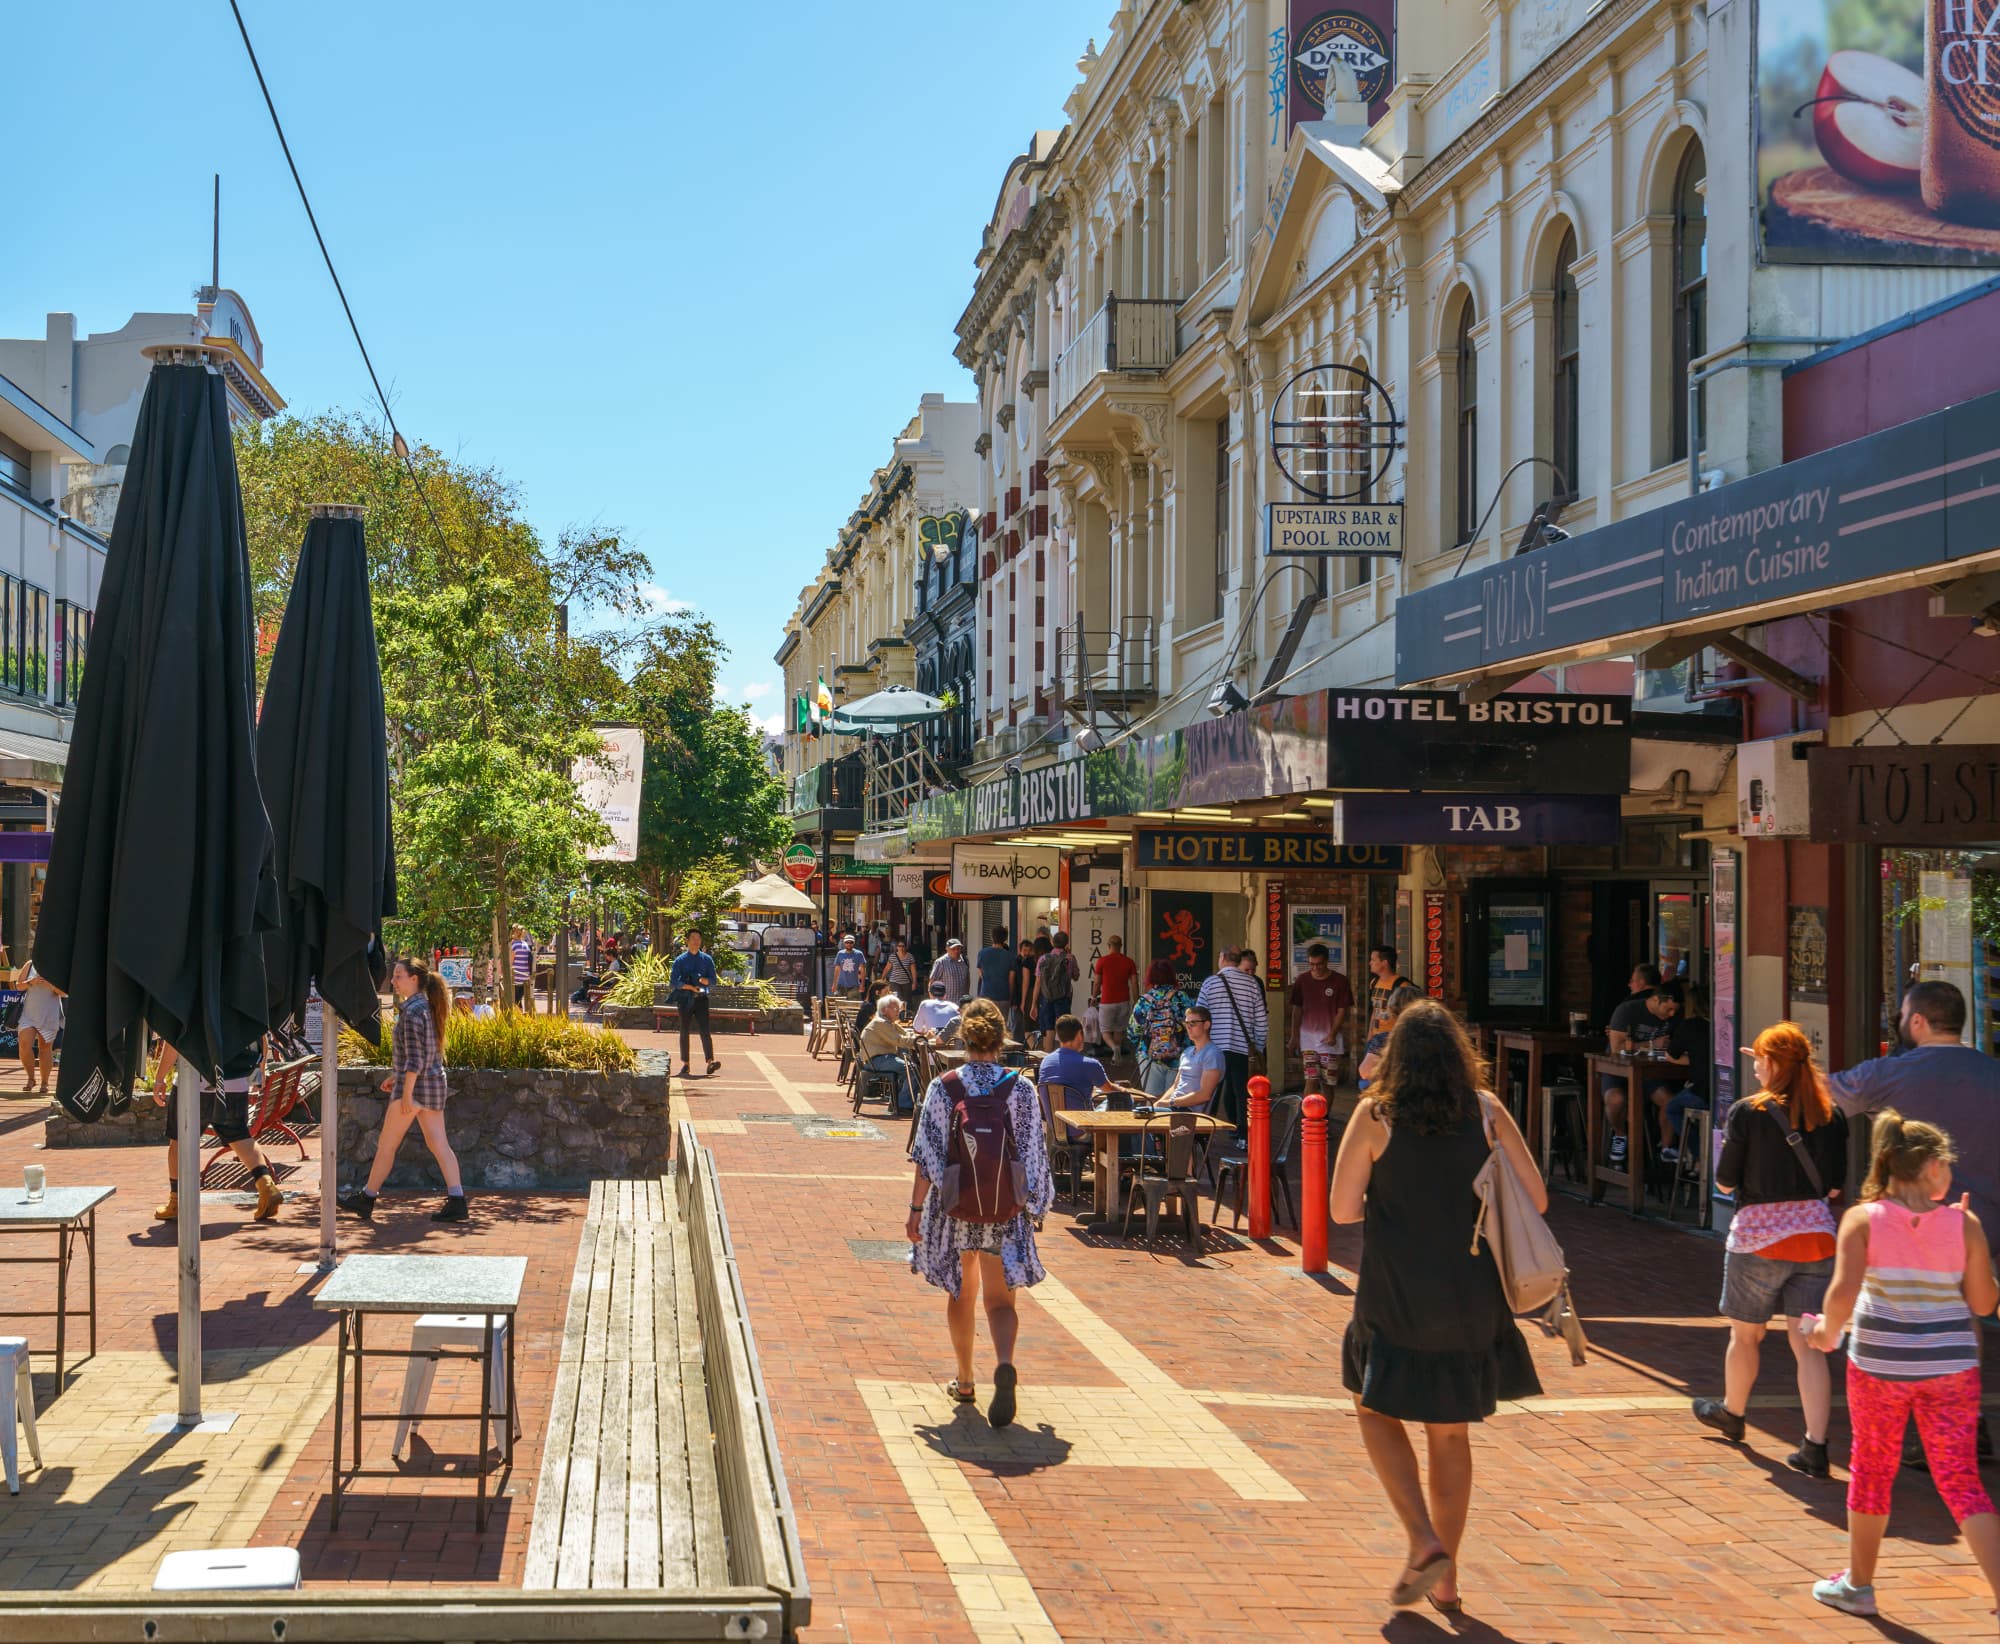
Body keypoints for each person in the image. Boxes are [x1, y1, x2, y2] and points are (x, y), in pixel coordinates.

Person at [1330, 998, 1545, 1614]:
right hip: (1471, 1289)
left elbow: (1342, 1209)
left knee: (1373, 1404)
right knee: (1449, 1433)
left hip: (1395, 1287)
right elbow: (1536, 1198)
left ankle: (1422, 1539)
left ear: (1396, 1056)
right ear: (1458, 1054)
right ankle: (1447, 1578)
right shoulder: (1487, 1111)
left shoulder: (1376, 1115)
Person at [1805, 1110, 2000, 1619]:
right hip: (1952, 1366)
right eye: (1948, 1163)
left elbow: (1842, 1294)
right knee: (1960, 1480)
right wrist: (1967, 1243)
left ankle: (1859, 1587)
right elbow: (1984, 1303)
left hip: (1879, 1365)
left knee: (1871, 1471)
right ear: (1932, 1167)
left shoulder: (1862, 1219)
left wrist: (1824, 1333)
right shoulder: (1964, 1224)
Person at [1693, 1022, 1848, 1477]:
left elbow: (1725, 1181)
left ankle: (1733, 1413)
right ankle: (1815, 1445)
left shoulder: (1747, 1112)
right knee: (1809, 1346)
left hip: (1757, 1241)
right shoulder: (1832, 1115)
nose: (1755, 1068)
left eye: (1760, 1060)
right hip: (1816, 1241)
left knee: (1745, 1335)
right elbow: (1834, 1187)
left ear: (1774, 1063)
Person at [904, 997, 1054, 1428]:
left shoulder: (945, 1087)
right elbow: (1033, 1153)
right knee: (1000, 1301)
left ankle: (966, 1379)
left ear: (964, 1039)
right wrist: (1036, 1204)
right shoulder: (1020, 1089)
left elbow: (927, 1156)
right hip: (1004, 1209)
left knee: (962, 1293)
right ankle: (1004, 1363)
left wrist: (916, 1209)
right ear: (1001, 1039)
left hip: (956, 1209)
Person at [1830, 981, 2000, 1236]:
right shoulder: (1994, 1074)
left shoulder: (1884, 1075)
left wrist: (1782, 1063)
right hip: (1985, 1229)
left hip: (1909, 1231)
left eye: (1904, 1014)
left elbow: (1815, 1095)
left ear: (1917, 1021)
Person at [340, 955, 467, 1223]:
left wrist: (406, 1092)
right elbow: (422, 1054)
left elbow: (415, 1059)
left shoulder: (411, 1011)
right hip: (433, 1083)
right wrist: (396, 1077)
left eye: (398, 976)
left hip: (415, 1088)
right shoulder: (427, 1007)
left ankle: (367, 1198)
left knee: (387, 1145)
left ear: (414, 979)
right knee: (439, 1144)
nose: (393, 981)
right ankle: (457, 1199)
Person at [151, 1036, 284, 1223]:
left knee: (180, 1138)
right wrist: (257, 1077)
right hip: (236, 1080)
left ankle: (176, 1202)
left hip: (194, 1080)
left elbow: (174, 1037)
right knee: (239, 1134)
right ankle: (267, 1186)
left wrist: (159, 1078)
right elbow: (259, 1034)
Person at [1603, 987, 1682, 1167]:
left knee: (1670, 1101)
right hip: (1619, 1069)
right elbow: (1617, 1048)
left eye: (1675, 1010)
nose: (1671, 1014)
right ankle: (1620, 1135)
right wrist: (1652, 1044)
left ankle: (1666, 1149)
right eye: (1668, 1009)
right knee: (1615, 1100)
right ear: (1655, 1000)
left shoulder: (1675, 1017)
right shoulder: (1628, 1010)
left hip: (1649, 1071)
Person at [1197, 947, 1267, 1132]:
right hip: (1241, 1048)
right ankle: (1243, 1134)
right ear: (1238, 961)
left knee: (1210, 1093)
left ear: (1222, 958)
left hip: (1214, 1047)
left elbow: (1198, 1016)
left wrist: (1200, 1045)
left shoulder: (1210, 983)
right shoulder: (1252, 984)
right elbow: (1261, 1021)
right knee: (1242, 1093)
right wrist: (1258, 1047)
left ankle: (1205, 1133)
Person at [1287, 943, 1353, 1092]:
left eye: (1319, 964)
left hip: (1330, 1040)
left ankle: (1325, 1108)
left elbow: (1342, 1011)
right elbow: (1297, 1009)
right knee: (1311, 1079)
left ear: (1327, 961)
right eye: (1312, 964)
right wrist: (1294, 1036)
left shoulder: (1340, 981)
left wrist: (1333, 1033)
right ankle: (1307, 1108)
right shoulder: (1302, 980)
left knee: (1327, 1083)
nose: (1315, 968)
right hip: (1308, 1040)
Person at [1126, 960, 1193, 1097]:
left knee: (1152, 1100)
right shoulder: (1182, 998)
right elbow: (1192, 1025)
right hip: (1178, 1056)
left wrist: (1142, 1046)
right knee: (1173, 1099)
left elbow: (1133, 1031)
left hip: (1150, 1057)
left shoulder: (1144, 1001)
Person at [1361, 948, 1423, 1084]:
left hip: (1392, 1037)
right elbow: (1375, 1010)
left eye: (1373, 960)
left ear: (1384, 962)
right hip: (1376, 1037)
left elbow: (1406, 1013)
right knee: (1369, 1077)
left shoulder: (1401, 985)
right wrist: (1370, 1034)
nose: (1370, 963)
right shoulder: (1374, 982)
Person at [669, 928, 722, 1080]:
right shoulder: (680, 960)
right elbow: (673, 982)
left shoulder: (707, 959)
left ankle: (710, 1061)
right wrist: (688, 987)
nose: (696, 941)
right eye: (693, 938)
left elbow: (713, 980)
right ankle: (686, 1063)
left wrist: (705, 981)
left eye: (698, 938)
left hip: (701, 999)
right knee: (684, 1031)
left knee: (705, 1030)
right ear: (687, 941)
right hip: (685, 999)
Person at [1157, 1004, 1225, 1111]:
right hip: (1174, 1108)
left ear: (1206, 1025)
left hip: (1188, 1113)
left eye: (1193, 1023)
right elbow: (1175, 1087)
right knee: (1138, 1112)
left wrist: (1169, 1102)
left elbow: (1204, 1095)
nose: (1188, 1027)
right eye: (1186, 1023)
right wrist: (1157, 1105)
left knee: (1140, 1115)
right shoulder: (1187, 1052)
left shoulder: (1213, 1054)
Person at [1038, 1013, 1113, 1108]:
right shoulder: (1090, 1065)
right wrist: (1124, 1090)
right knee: (1119, 1100)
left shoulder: (1045, 1062)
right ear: (1079, 1035)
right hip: (1083, 1117)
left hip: (1053, 1117)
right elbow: (1111, 1091)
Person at [859, 993, 918, 1114]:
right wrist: (919, 1040)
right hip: (876, 1060)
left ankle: (896, 1102)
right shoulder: (880, 1023)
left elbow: (905, 1035)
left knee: (908, 1068)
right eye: (895, 1008)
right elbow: (899, 1040)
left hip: (883, 1058)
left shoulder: (889, 1023)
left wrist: (919, 1036)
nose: (898, 1011)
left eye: (899, 1008)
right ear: (885, 1010)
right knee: (911, 1069)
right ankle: (903, 1105)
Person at [14, 961, 62, 1095]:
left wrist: (50, 984)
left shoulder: (58, 965)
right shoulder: (30, 964)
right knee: (24, 1045)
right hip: (28, 1014)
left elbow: (64, 993)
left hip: (49, 1014)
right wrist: (31, 982)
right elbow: (18, 986)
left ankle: (44, 1082)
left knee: (45, 1049)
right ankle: (31, 1078)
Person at [1090, 936, 1139, 1060]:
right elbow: (1134, 983)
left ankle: (1114, 1048)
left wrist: (1094, 997)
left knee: (1105, 1030)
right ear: (1121, 946)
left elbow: (1097, 982)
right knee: (1119, 1029)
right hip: (1124, 1001)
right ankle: (1116, 1055)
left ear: (1108, 945)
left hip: (1107, 1002)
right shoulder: (1129, 962)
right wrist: (1136, 1000)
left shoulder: (1102, 961)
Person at [1034, 931, 1080, 1049]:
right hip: (1064, 997)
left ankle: (1048, 1055)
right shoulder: (1070, 958)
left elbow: (1038, 982)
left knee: (1048, 1028)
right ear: (1066, 944)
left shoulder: (1043, 958)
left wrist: (1034, 1003)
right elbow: (1076, 977)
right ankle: (1064, 1055)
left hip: (1046, 996)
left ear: (1053, 943)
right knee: (1064, 1027)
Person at [974, 928, 1016, 1011]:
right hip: (1003, 996)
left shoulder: (982, 953)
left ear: (992, 937)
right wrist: (1010, 997)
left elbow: (981, 973)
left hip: (986, 995)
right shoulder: (1010, 956)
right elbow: (1011, 980)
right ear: (1005, 939)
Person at [1012, 936, 1039, 1041]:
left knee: (1028, 1023)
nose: (1026, 953)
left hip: (1029, 996)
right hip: (1018, 996)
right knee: (1018, 1023)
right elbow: (1014, 982)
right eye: (1024, 950)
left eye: (1029, 950)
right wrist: (1014, 1000)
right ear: (1020, 950)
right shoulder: (1016, 962)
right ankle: (1018, 1044)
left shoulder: (1032, 962)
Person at [930, 936, 970, 1005]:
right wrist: (934, 1001)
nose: (956, 951)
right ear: (947, 949)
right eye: (953, 949)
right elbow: (932, 981)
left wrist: (966, 996)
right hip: (946, 1003)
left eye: (958, 949)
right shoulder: (941, 962)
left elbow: (967, 979)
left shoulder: (965, 961)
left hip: (961, 1004)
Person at [831, 934, 868, 1001]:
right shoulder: (840, 954)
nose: (849, 944)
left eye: (851, 942)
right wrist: (834, 984)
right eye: (847, 942)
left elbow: (863, 970)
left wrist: (862, 984)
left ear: (854, 943)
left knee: (853, 1005)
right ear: (844, 943)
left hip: (854, 986)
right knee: (840, 1005)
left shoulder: (859, 954)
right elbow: (837, 969)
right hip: (841, 985)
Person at [509, 926, 535, 1012]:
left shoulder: (514, 945)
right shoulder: (525, 944)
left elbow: (510, 962)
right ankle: (521, 1015)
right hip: (525, 976)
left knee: (515, 999)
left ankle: (519, 1016)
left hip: (516, 976)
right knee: (518, 999)